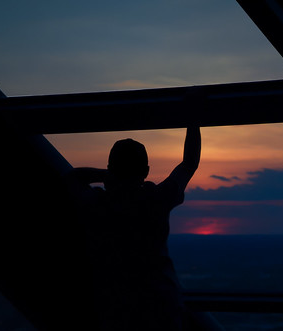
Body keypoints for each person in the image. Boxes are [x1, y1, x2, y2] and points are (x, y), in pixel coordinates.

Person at [66, 125, 201, 330]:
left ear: (111, 169)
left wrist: (111, 175)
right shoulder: (155, 199)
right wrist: (194, 118)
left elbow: (73, 177)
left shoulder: (97, 204)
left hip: (116, 310)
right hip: (161, 307)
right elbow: (189, 163)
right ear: (146, 171)